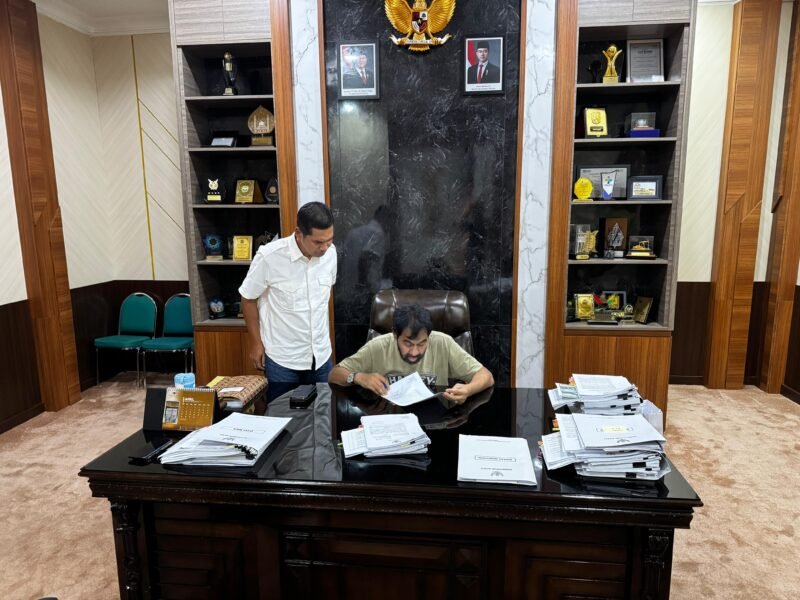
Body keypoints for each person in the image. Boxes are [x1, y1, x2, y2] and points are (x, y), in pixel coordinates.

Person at [239, 202, 336, 402]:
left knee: (324, 419)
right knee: (284, 422)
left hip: (321, 358)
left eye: (329, 240)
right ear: (299, 234)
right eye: (318, 242)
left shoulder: (330, 254)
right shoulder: (270, 257)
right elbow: (248, 298)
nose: (325, 247)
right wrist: (256, 343)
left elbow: (322, 301)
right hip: (283, 361)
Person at [328, 304, 494, 404]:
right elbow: (334, 374)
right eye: (408, 343)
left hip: (433, 423)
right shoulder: (378, 346)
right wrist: (358, 377)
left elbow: (486, 376)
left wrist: (469, 389)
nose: (415, 352)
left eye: (422, 343)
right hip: (389, 422)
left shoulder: (442, 342)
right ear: (395, 335)